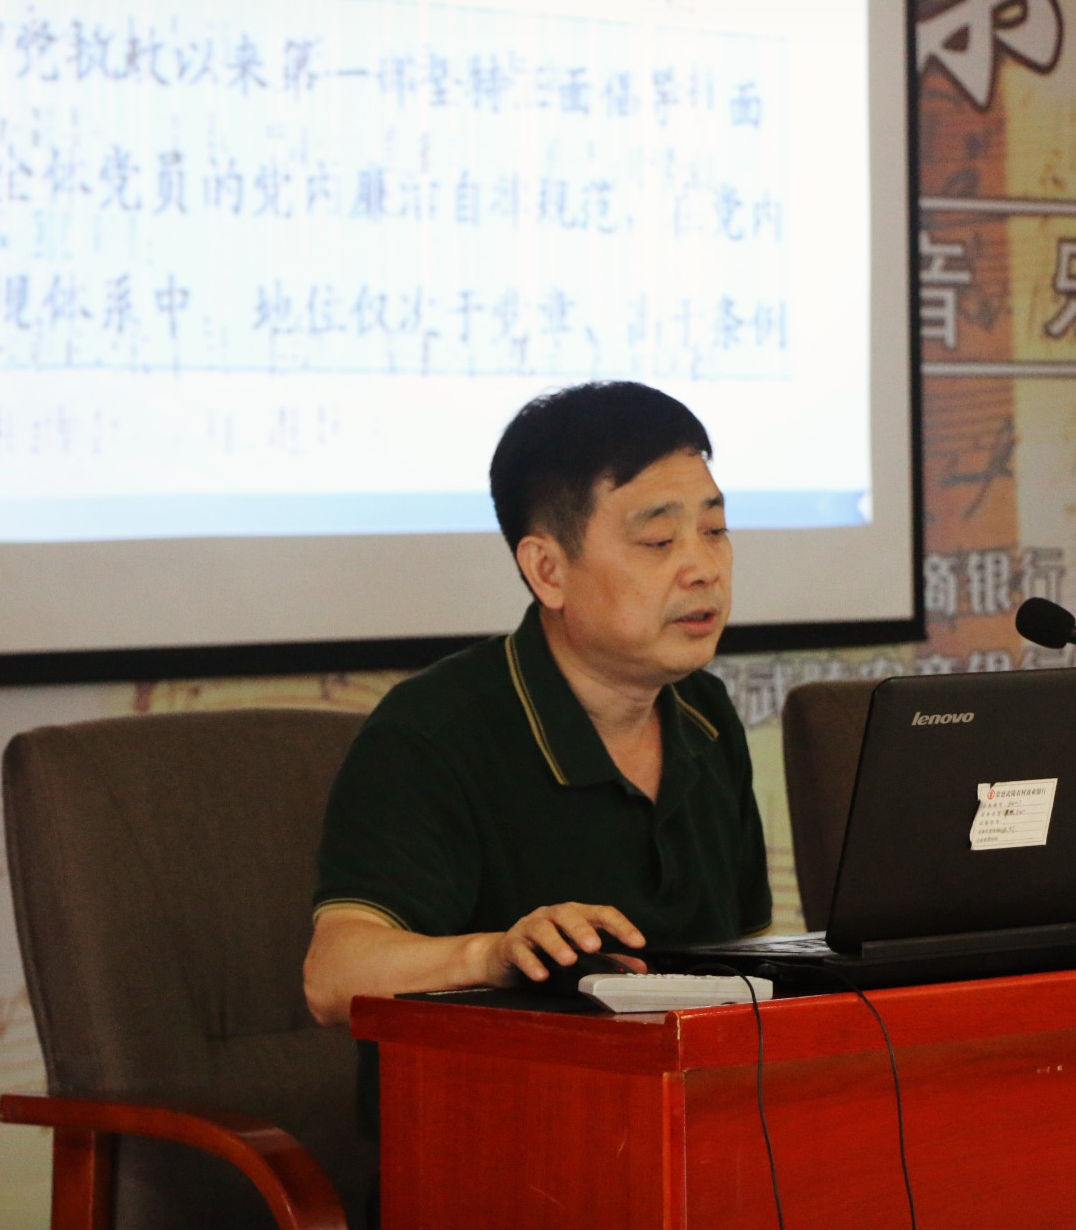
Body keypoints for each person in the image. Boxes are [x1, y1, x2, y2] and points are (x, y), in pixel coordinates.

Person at [303, 380, 771, 1024]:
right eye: (660, 541)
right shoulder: (432, 733)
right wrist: (492, 954)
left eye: (714, 530)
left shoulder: (705, 713)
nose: (705, 568)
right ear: (548, 570)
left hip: (678, 1081)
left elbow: (748, 959)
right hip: (496, 1086)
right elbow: (333, 978)